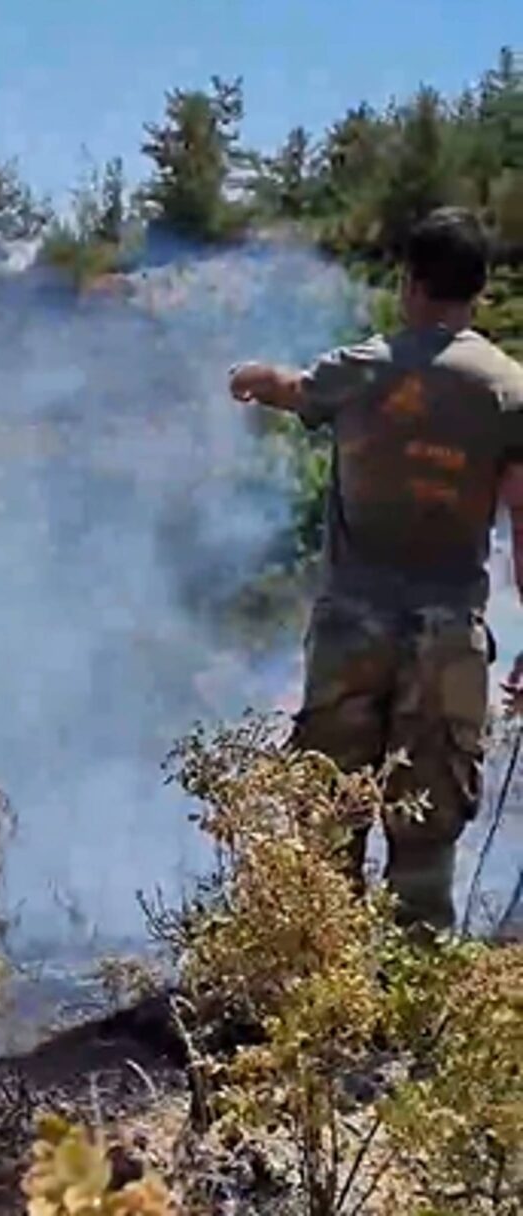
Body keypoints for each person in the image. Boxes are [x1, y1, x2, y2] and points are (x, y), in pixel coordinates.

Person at [227, 206, 523, 935]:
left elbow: (297, 390)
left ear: (409, 281)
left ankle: (318, 977)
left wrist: (258, 379)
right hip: (450, 634)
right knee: (426, 828)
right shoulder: (509, 391)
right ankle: (411, 991)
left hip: (349, 628)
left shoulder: (359, 368)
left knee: (327, 810)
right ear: (478, 291)